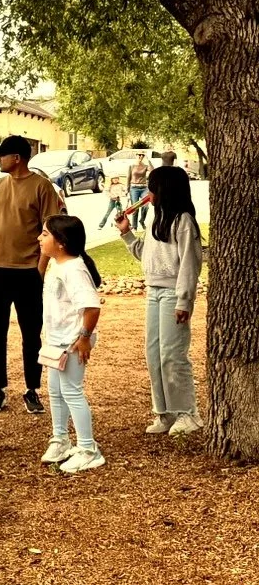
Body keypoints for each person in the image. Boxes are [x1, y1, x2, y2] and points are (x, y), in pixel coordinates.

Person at [116, 167, 204, 436]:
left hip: (173, 295)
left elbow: (190, 264)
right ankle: (165, 413)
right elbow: (147, 256)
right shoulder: (157, 217)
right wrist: (127, 233)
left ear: (164, 190)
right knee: (153, 354)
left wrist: (184, 301)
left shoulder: (184, 221)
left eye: (153, 187)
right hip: (153, 293)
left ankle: (188, 414)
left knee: (172, 355)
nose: (148, 193)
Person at [0, 135, 62, 413]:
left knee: (31, 334)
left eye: (1, 155)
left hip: (28, 273)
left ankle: (32, 390)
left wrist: (39, 269)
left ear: (17, 158)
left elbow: (50, 230)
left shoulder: (42, 187)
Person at [38, 215, 106, 473]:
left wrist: (84, 337)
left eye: (45, 234)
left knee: (72, 392)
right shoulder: (58, 264)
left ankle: (89, 449)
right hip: (56, 341)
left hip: (72, 342)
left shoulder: (75, 270)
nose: (39, 238)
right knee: (55, 391)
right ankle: (61, 440)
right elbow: (40, 270)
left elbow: (91, 307)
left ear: (62, 242)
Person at [127, 152, 153, 231]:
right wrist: (127, 189)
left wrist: (148, 160)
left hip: (144, 188)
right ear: (136, 155)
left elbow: (153, 171)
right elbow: (128, 177)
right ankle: (135, 227)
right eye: (139, 155)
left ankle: (142, 220)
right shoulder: (131, 166)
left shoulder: (145, 166)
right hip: (134, 188)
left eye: (142, 155)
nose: (141, 156)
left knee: (146, 206)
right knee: (135, 208)